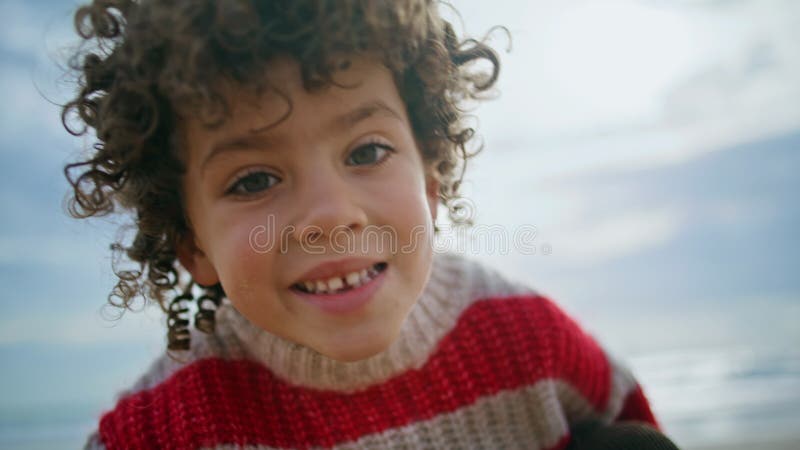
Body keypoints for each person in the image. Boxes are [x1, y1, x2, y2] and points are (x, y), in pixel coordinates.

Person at [61, 1, 672, 449]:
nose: (331, 214)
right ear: (192, 243)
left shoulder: (524, 337)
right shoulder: (162, 434)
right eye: (253, 180)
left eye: (366, 151)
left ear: (430, 185)